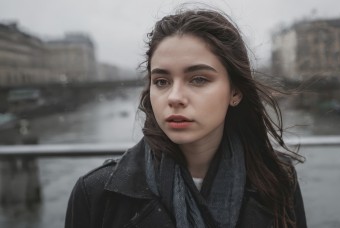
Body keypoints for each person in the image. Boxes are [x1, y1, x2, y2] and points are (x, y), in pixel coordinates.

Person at [65, 7, 307, 228]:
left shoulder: (277, 179)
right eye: (161, 81)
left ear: (235, 91)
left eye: (198, 79)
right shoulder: (96, 194)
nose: (174, 97)